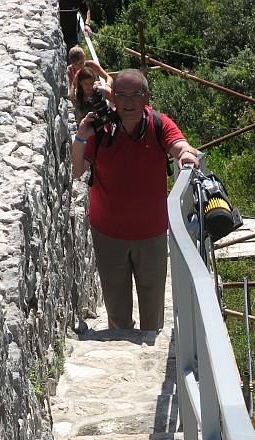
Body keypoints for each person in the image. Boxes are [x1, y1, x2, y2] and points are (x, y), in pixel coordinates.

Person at [71, 69, 200, 332]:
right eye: (122, 95)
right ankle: (122, 348)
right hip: (108, 234)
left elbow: (178, 144)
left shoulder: (158, 124)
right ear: (112, 97)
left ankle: (148, 352)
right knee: (117, 311)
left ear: (146, 96)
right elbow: (76, 170)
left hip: (151, 234)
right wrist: (81, 135)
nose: (128, 102)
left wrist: (185, 154)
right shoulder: (102, 129)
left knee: (152, 309)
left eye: (135, 94)